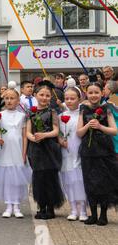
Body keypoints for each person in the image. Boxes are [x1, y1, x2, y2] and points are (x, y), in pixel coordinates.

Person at [77, 82, 118, 226]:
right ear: (86, 93)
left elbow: (114, 130)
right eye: (90, 92)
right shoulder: (83, 109)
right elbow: (79, 132)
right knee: (90, 182)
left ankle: (103, 215)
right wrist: (88, 125)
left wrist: (100, 126)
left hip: (104, 151)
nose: (93, 95)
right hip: (88, 152)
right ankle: (93, 214)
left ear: (102, 93)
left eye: (96, 92)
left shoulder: (107, 109)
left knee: (104, 182)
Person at [26, 80, 64, 219]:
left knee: (50, 178)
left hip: (50, 148)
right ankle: (41, 206)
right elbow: (28, 132)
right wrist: (33, 138)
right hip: (36, 149)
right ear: (35, 95)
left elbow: (56, 131)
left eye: (47, 96)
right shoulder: (31, 112)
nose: (44, 98)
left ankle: (50, 208)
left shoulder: (52, 111)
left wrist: (44, 135)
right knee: (39, 178)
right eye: (41, 94)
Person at [0, 89, 31, 218]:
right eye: (7, 98)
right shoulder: (0, 115)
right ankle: (8, 205)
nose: (9, 101)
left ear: (18, 101)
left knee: (17, 179)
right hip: (5, 150)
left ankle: (17, 206)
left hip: (18, 149)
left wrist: (24, 153)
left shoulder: (22, 116)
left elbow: (25, 136)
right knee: (7, 179)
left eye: (12, 98)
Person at [58, 87, 88, 221]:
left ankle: (83, 209)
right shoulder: (60, 116)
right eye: (67, 99)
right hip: (66, 151)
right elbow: (57, 132)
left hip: (80, 150)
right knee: (68, 180)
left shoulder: (84, 115)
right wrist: (60, 140)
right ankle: (73, 208)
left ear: (79, 99)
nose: (69, 101)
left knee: (80, 179)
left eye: (72, 98)